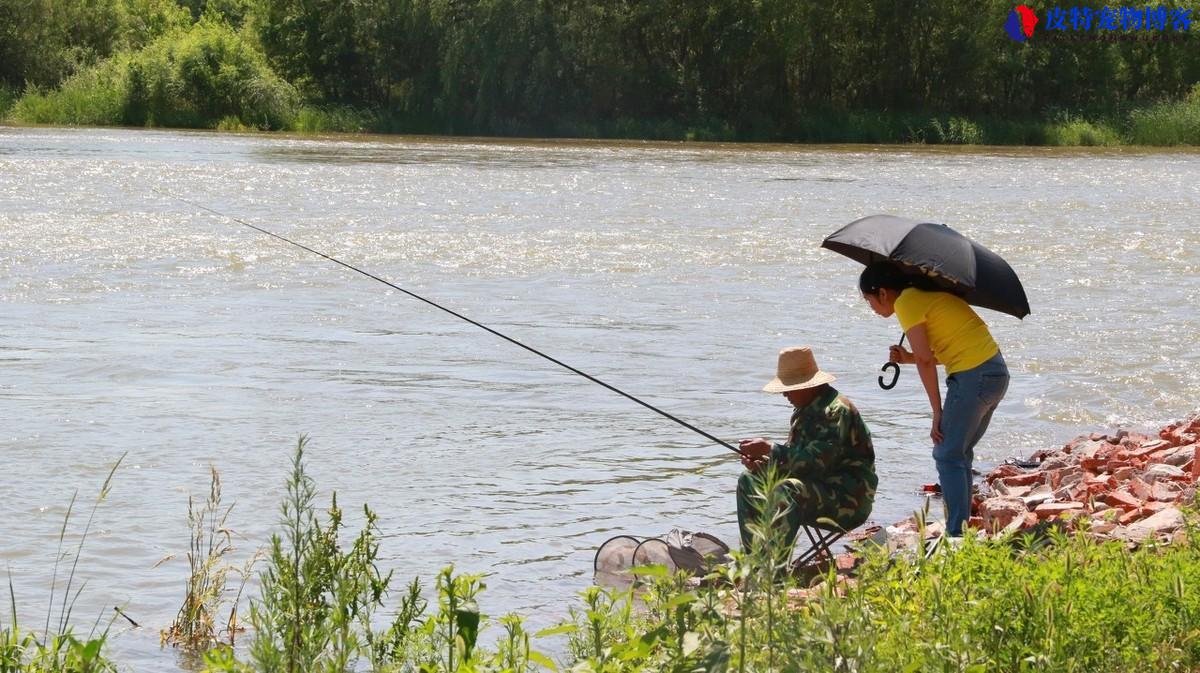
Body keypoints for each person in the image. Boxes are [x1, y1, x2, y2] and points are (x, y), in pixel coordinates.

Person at [859, 262, 1010, 537]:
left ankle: (955, 535)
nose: (871, 308)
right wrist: (907, 358)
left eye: (869, 300)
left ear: (882, 292)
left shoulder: (907, 302)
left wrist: (937, 411)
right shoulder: (923, 296)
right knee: (958, 453)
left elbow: (926, 361)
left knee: (946, 453)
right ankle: (960, 529)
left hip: (973, 376)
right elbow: (949, 348)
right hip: (995, 372)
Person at [737, 346, 876, 552]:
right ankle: (755, 559)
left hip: (847, 500)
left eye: (789, 388)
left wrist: (771, 450)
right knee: (748, 479)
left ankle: (775, 571)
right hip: (816, 489)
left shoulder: (836, 410)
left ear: (807, 386)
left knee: (787, 490)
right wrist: (764, 465)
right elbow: (796, 463)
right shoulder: (805, 410)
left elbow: (816, 464)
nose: (784, 394)